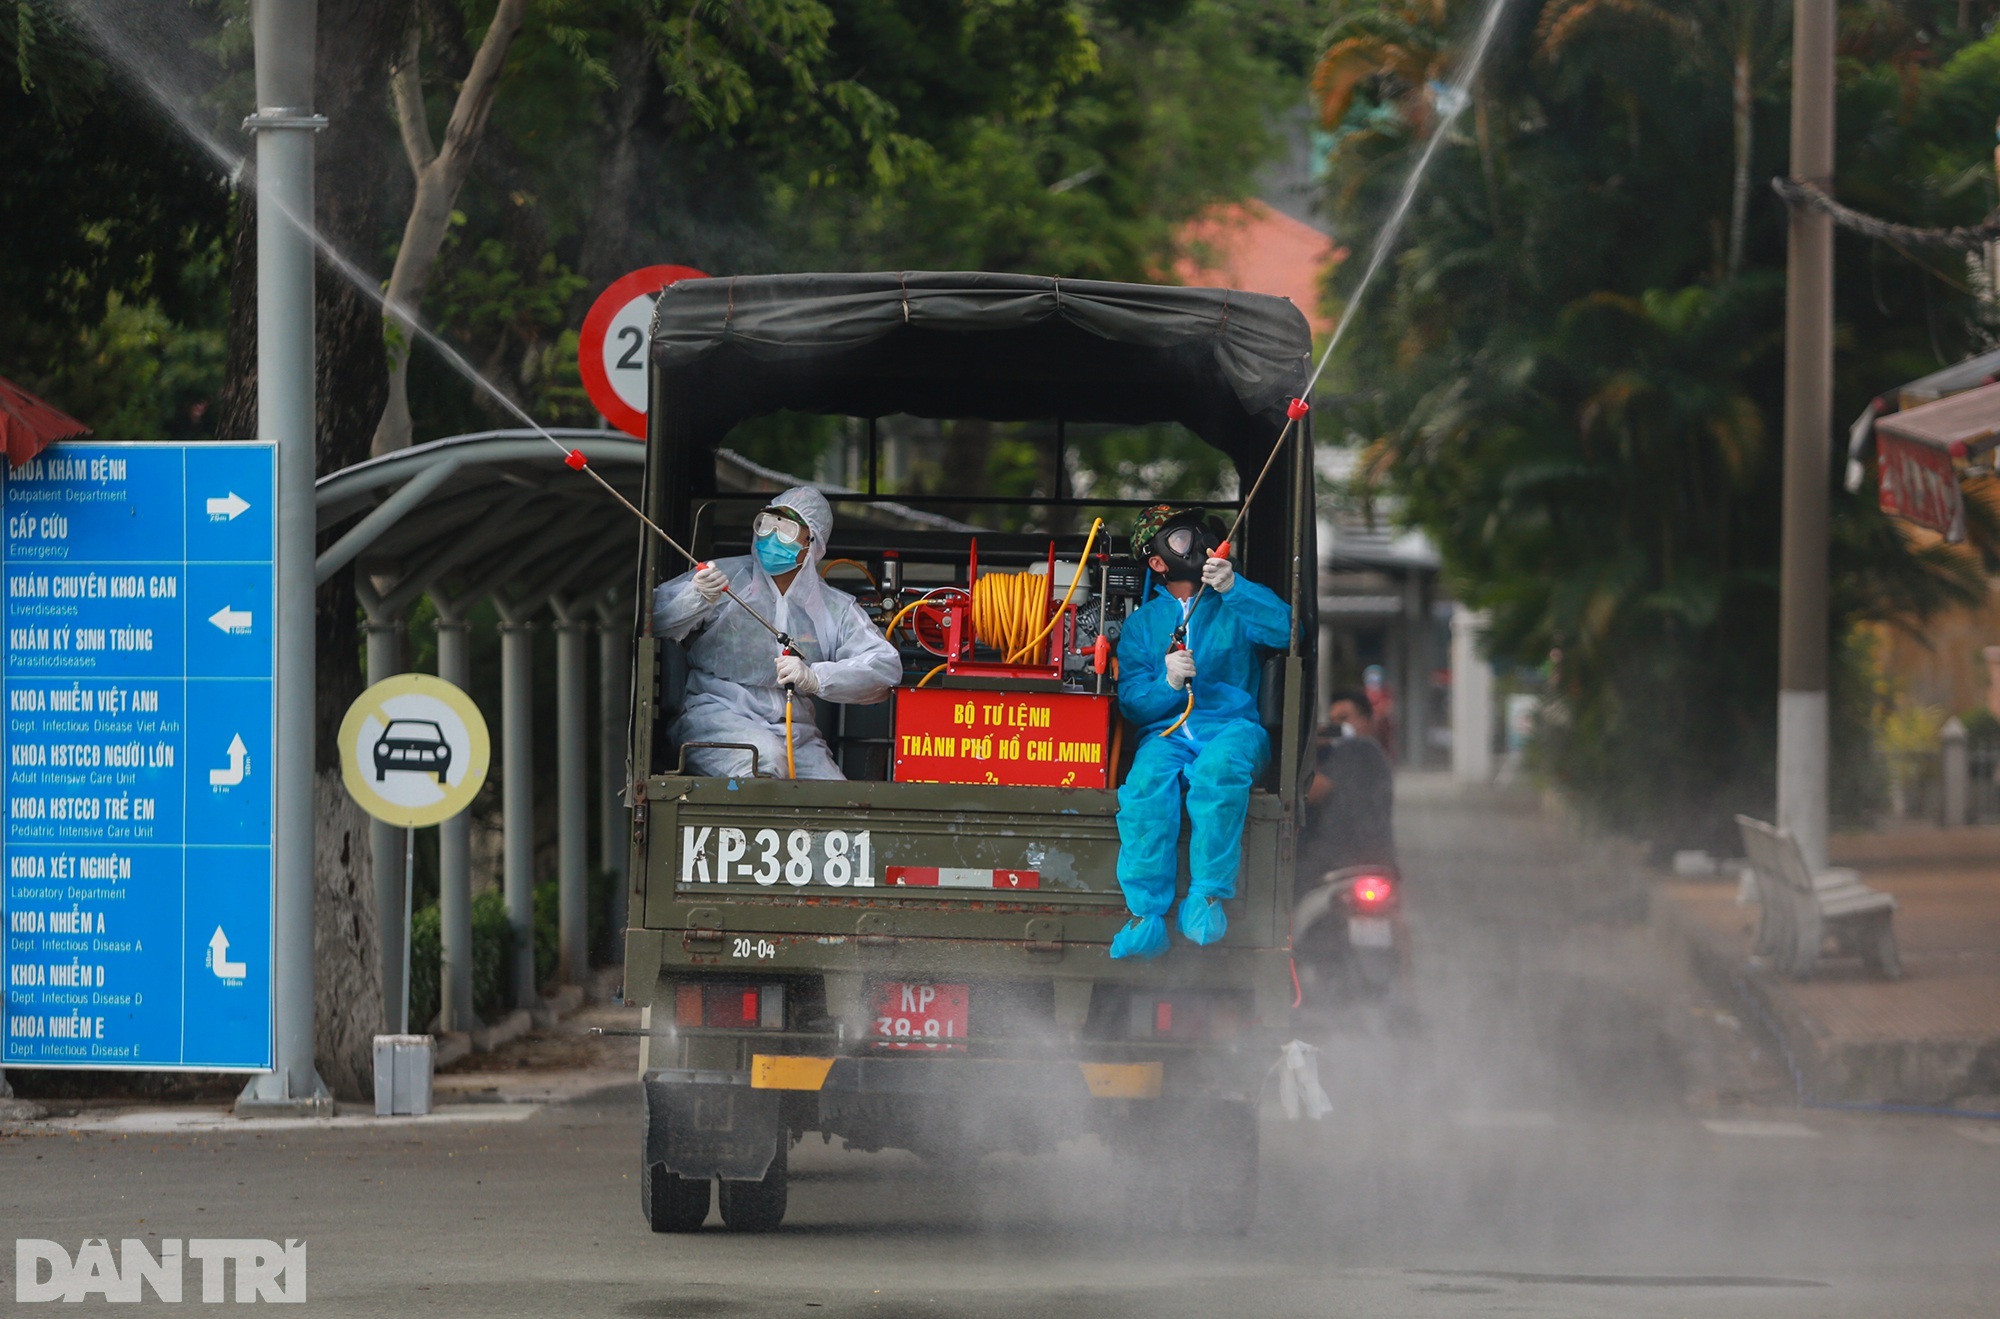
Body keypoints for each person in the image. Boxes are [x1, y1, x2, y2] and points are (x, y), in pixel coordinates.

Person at [1111, 505, 1293, 958]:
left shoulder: (1234, 603)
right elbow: (1133, 704)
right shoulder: (1140, 627)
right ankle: (1145, 914)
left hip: (1233, 728)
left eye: (1197, 531)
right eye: (1178, 539)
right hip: (1168, 734)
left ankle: (1207, 896)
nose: (1195, 541)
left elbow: (1289, 631)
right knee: (1144, 788)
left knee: (1217, 774)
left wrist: (1236, 588)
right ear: (1156, 563)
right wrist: (1168, 683)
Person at [651, 485, 901, 779]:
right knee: (764, 763)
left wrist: (816, 677)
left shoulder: (835, 609)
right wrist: (694, 599)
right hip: (718, 714)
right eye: (766, 524)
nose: (770, 536)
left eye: (784, 529)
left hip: (795, 732)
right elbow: (652, 620)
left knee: (832, 797)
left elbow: (884, 669)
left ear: (812, 543)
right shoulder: (724, 579)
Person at [1304, 688, 1396, 872]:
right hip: (1374, 857)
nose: (1337, 726)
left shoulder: (1359, 747)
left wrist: (1307, 748)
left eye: (1344, 718)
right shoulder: (1371, 753)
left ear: (1366, 721)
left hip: (1340, 859)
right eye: (1332, 721)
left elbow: (1312, 792)